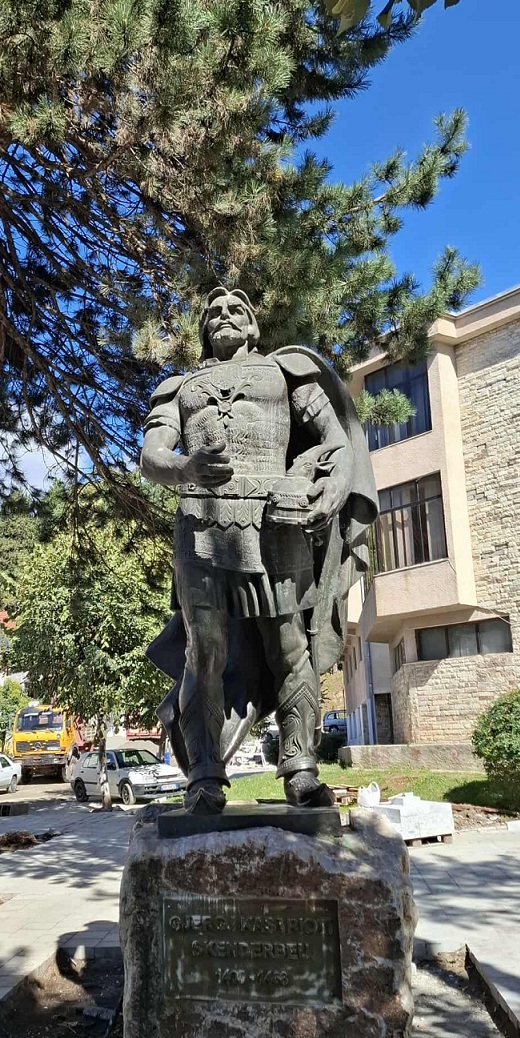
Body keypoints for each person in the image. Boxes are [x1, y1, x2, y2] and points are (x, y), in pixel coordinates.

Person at [141, 288, 377, 814]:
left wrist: (329, 489)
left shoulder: (286, 373)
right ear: (204, 331)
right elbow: (151, 454)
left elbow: (336, 442)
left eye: (236, 309)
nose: (223, 315)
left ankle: (300, 768)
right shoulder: (179, 388)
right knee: (204, 652)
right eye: (213, 312)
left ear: (253, 327)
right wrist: (184, 467)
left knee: (290, 648)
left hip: (277, 526)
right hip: (200, 527)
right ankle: (204, 775)